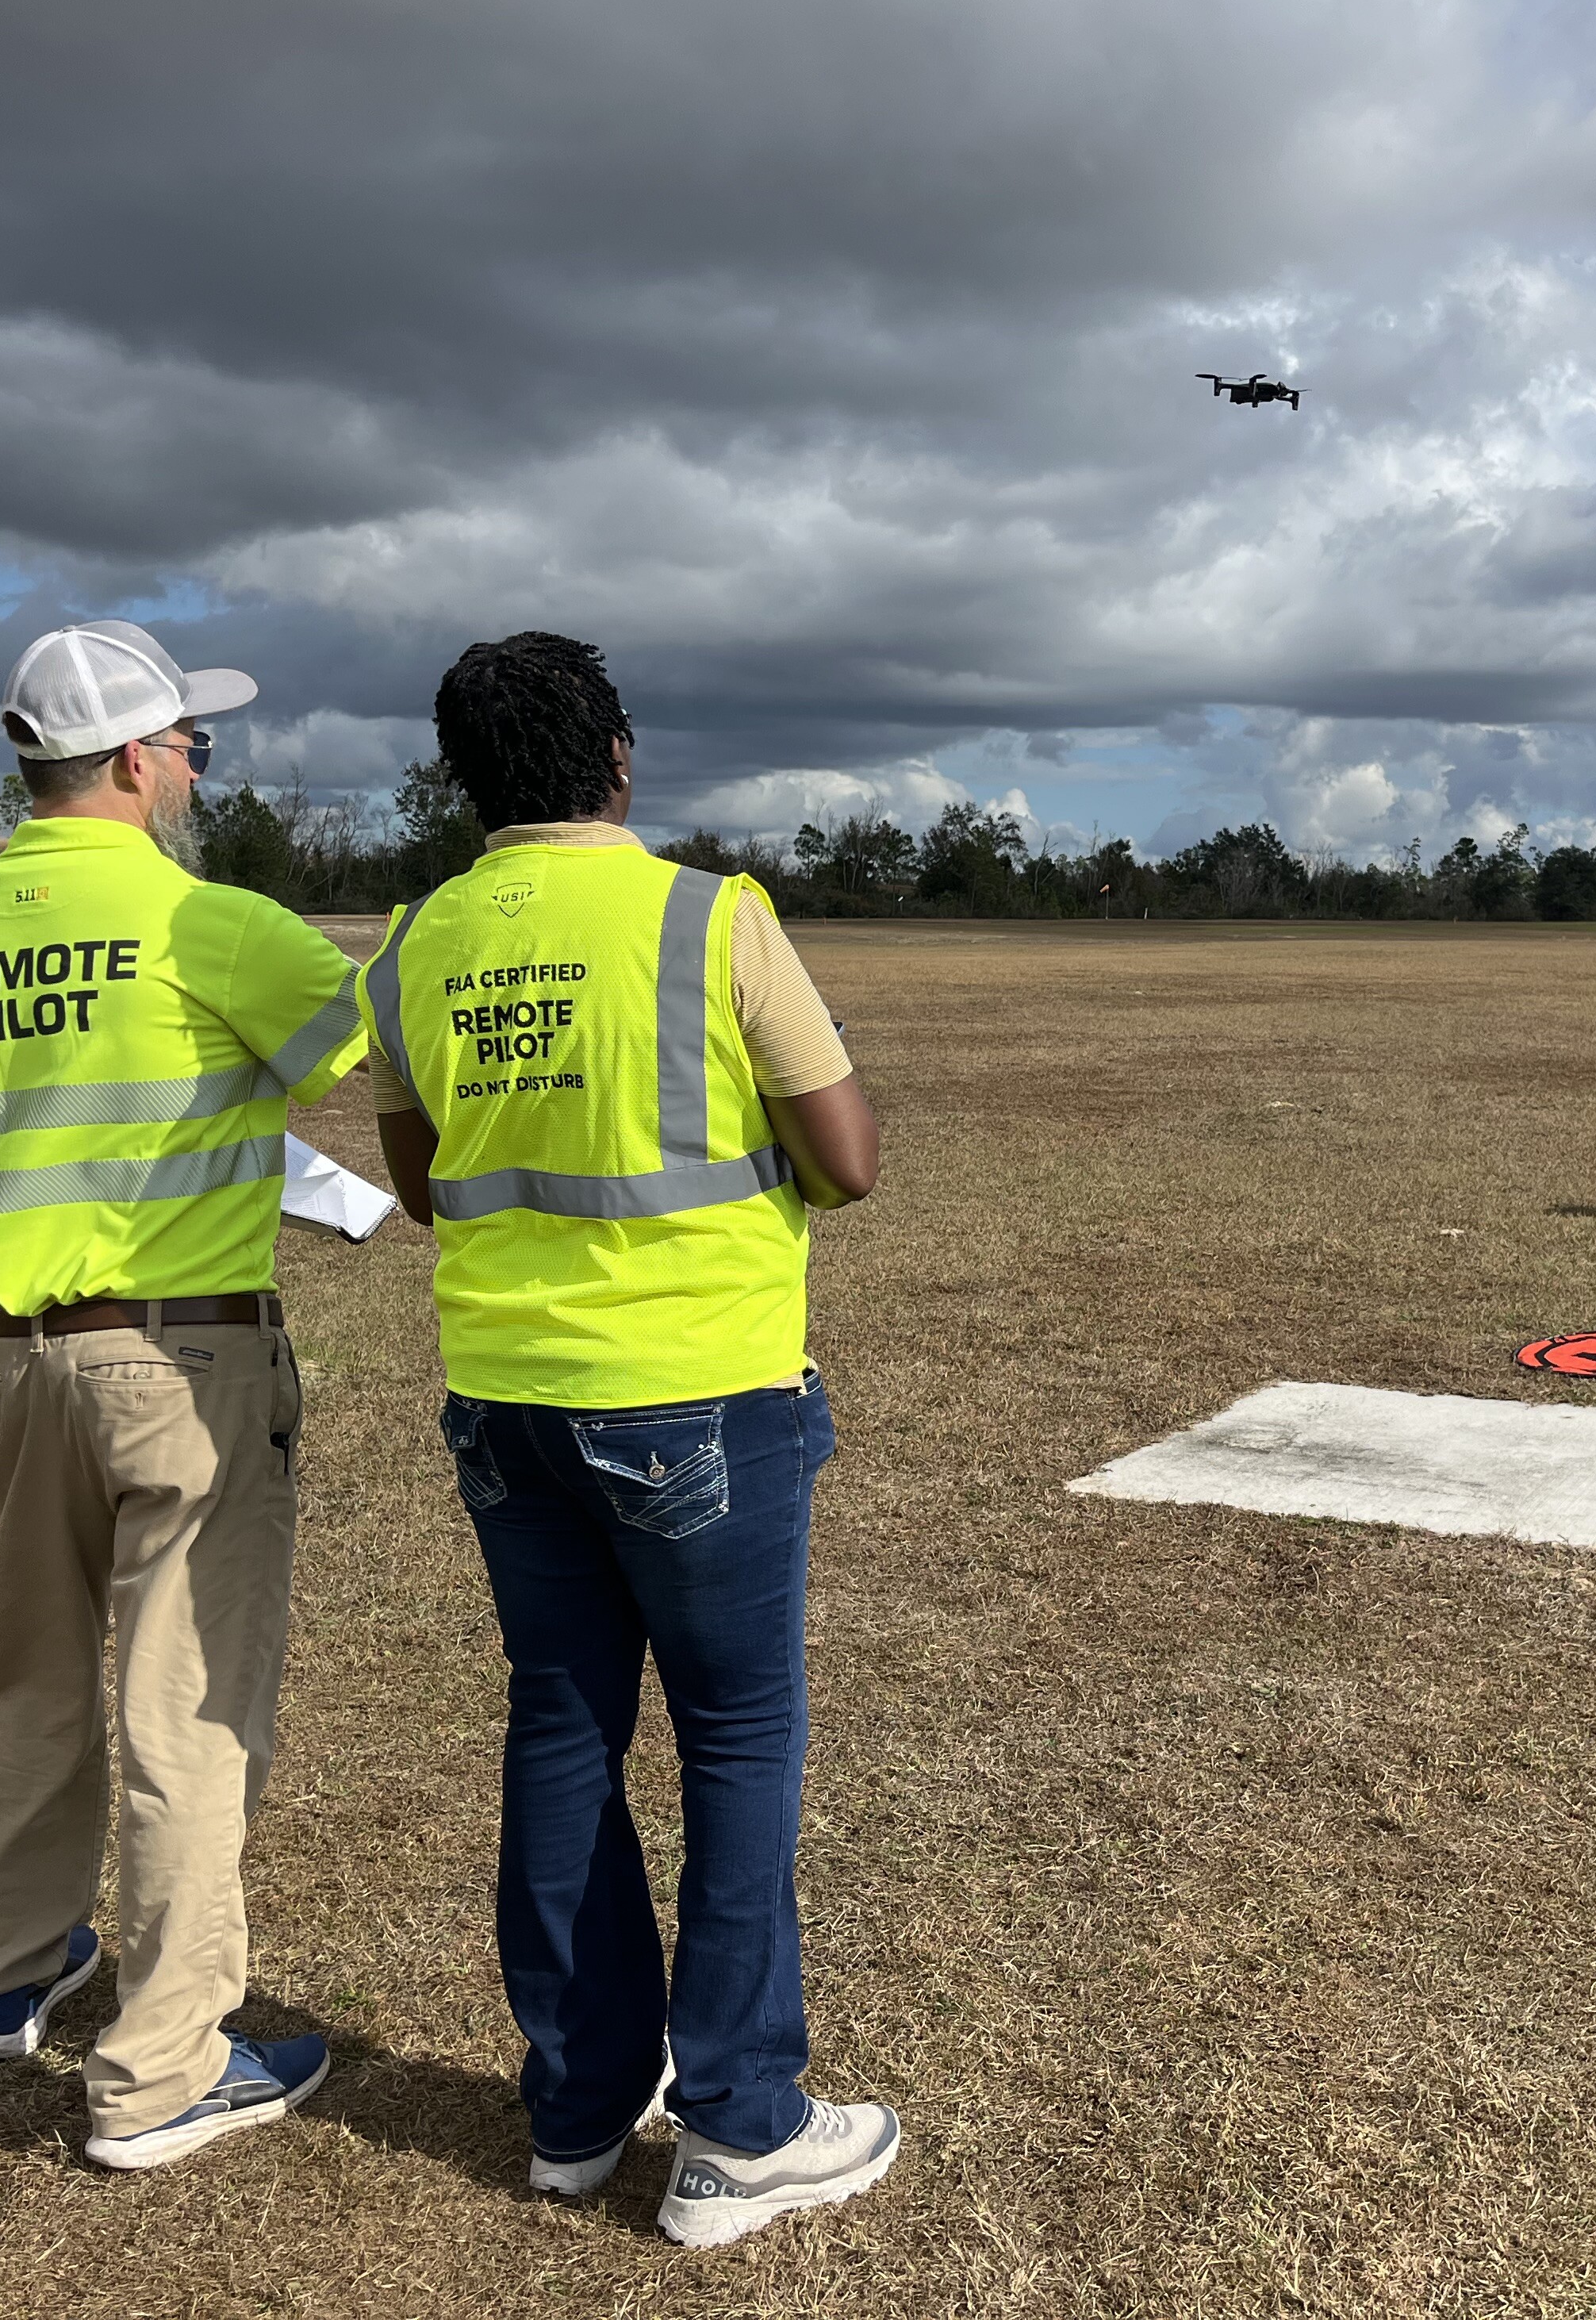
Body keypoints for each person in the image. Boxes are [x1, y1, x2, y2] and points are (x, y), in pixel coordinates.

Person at [361, 632, 890, 2249]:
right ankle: (741, 2123)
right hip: (701, 1387)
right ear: (621, 755)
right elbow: (848, 1157)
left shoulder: (410, 947)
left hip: (506, 1395)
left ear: (465, 779)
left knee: (565, 1725)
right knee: (735, 1737)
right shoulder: (707, 917)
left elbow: (421, 1178)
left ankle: (583, 2108)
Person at [0, 620, 366, 2172]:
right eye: (193, 748)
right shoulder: (208, 920)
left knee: (30, 1673)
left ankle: (8, 1970)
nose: (197, 770)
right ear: (143, 761)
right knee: (188, 1710)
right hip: (184, 1359)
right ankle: (161, 2071)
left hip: (15, 1356)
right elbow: (357, 1046)